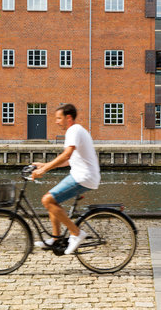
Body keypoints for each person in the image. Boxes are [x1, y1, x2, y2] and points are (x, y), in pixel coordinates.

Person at [32, 103, 100, 255]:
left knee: (47, 200)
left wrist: (44, 169)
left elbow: (67, 154)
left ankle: (76, 233)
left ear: (68, 118)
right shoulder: (78, 131)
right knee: (52, 200)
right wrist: (45, 164)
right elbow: (68, 161)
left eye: (58, 118)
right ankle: (56, 239)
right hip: (82, 175)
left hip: (83, 177)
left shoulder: (73, 130)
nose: (56, 121)